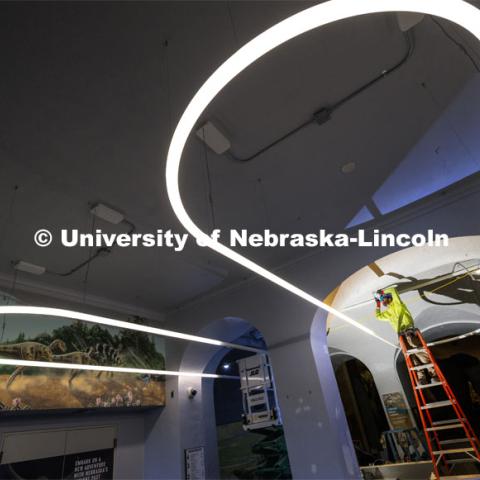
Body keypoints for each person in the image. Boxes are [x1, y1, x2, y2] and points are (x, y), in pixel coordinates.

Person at [375, 287, 439, 385]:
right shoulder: (388, 313)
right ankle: (422, 378)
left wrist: (382, 292)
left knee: (420, 354)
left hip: (409, 333)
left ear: (389, 299)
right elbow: (378, 316)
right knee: (413, 358)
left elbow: (393, 290)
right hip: (401, 336)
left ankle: (434, 375)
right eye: (382, 301)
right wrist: (377, 304)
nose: (383, 301)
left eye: (384, 299)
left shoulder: (398, 304)